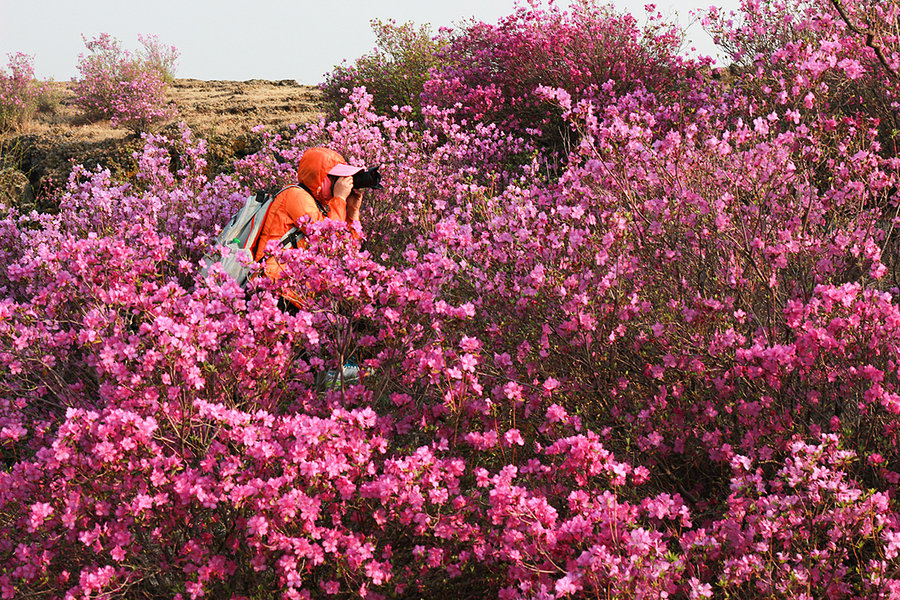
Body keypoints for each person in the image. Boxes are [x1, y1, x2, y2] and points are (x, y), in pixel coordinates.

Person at [253, 147, 366, 298]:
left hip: (292, 285)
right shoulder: (296, 195)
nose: (341, 183)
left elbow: (347, 249)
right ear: (321, 177)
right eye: (336, 178)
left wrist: (353, 211)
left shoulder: (320, 204)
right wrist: (339, 199)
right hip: (275, 284)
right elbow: (329, 239)